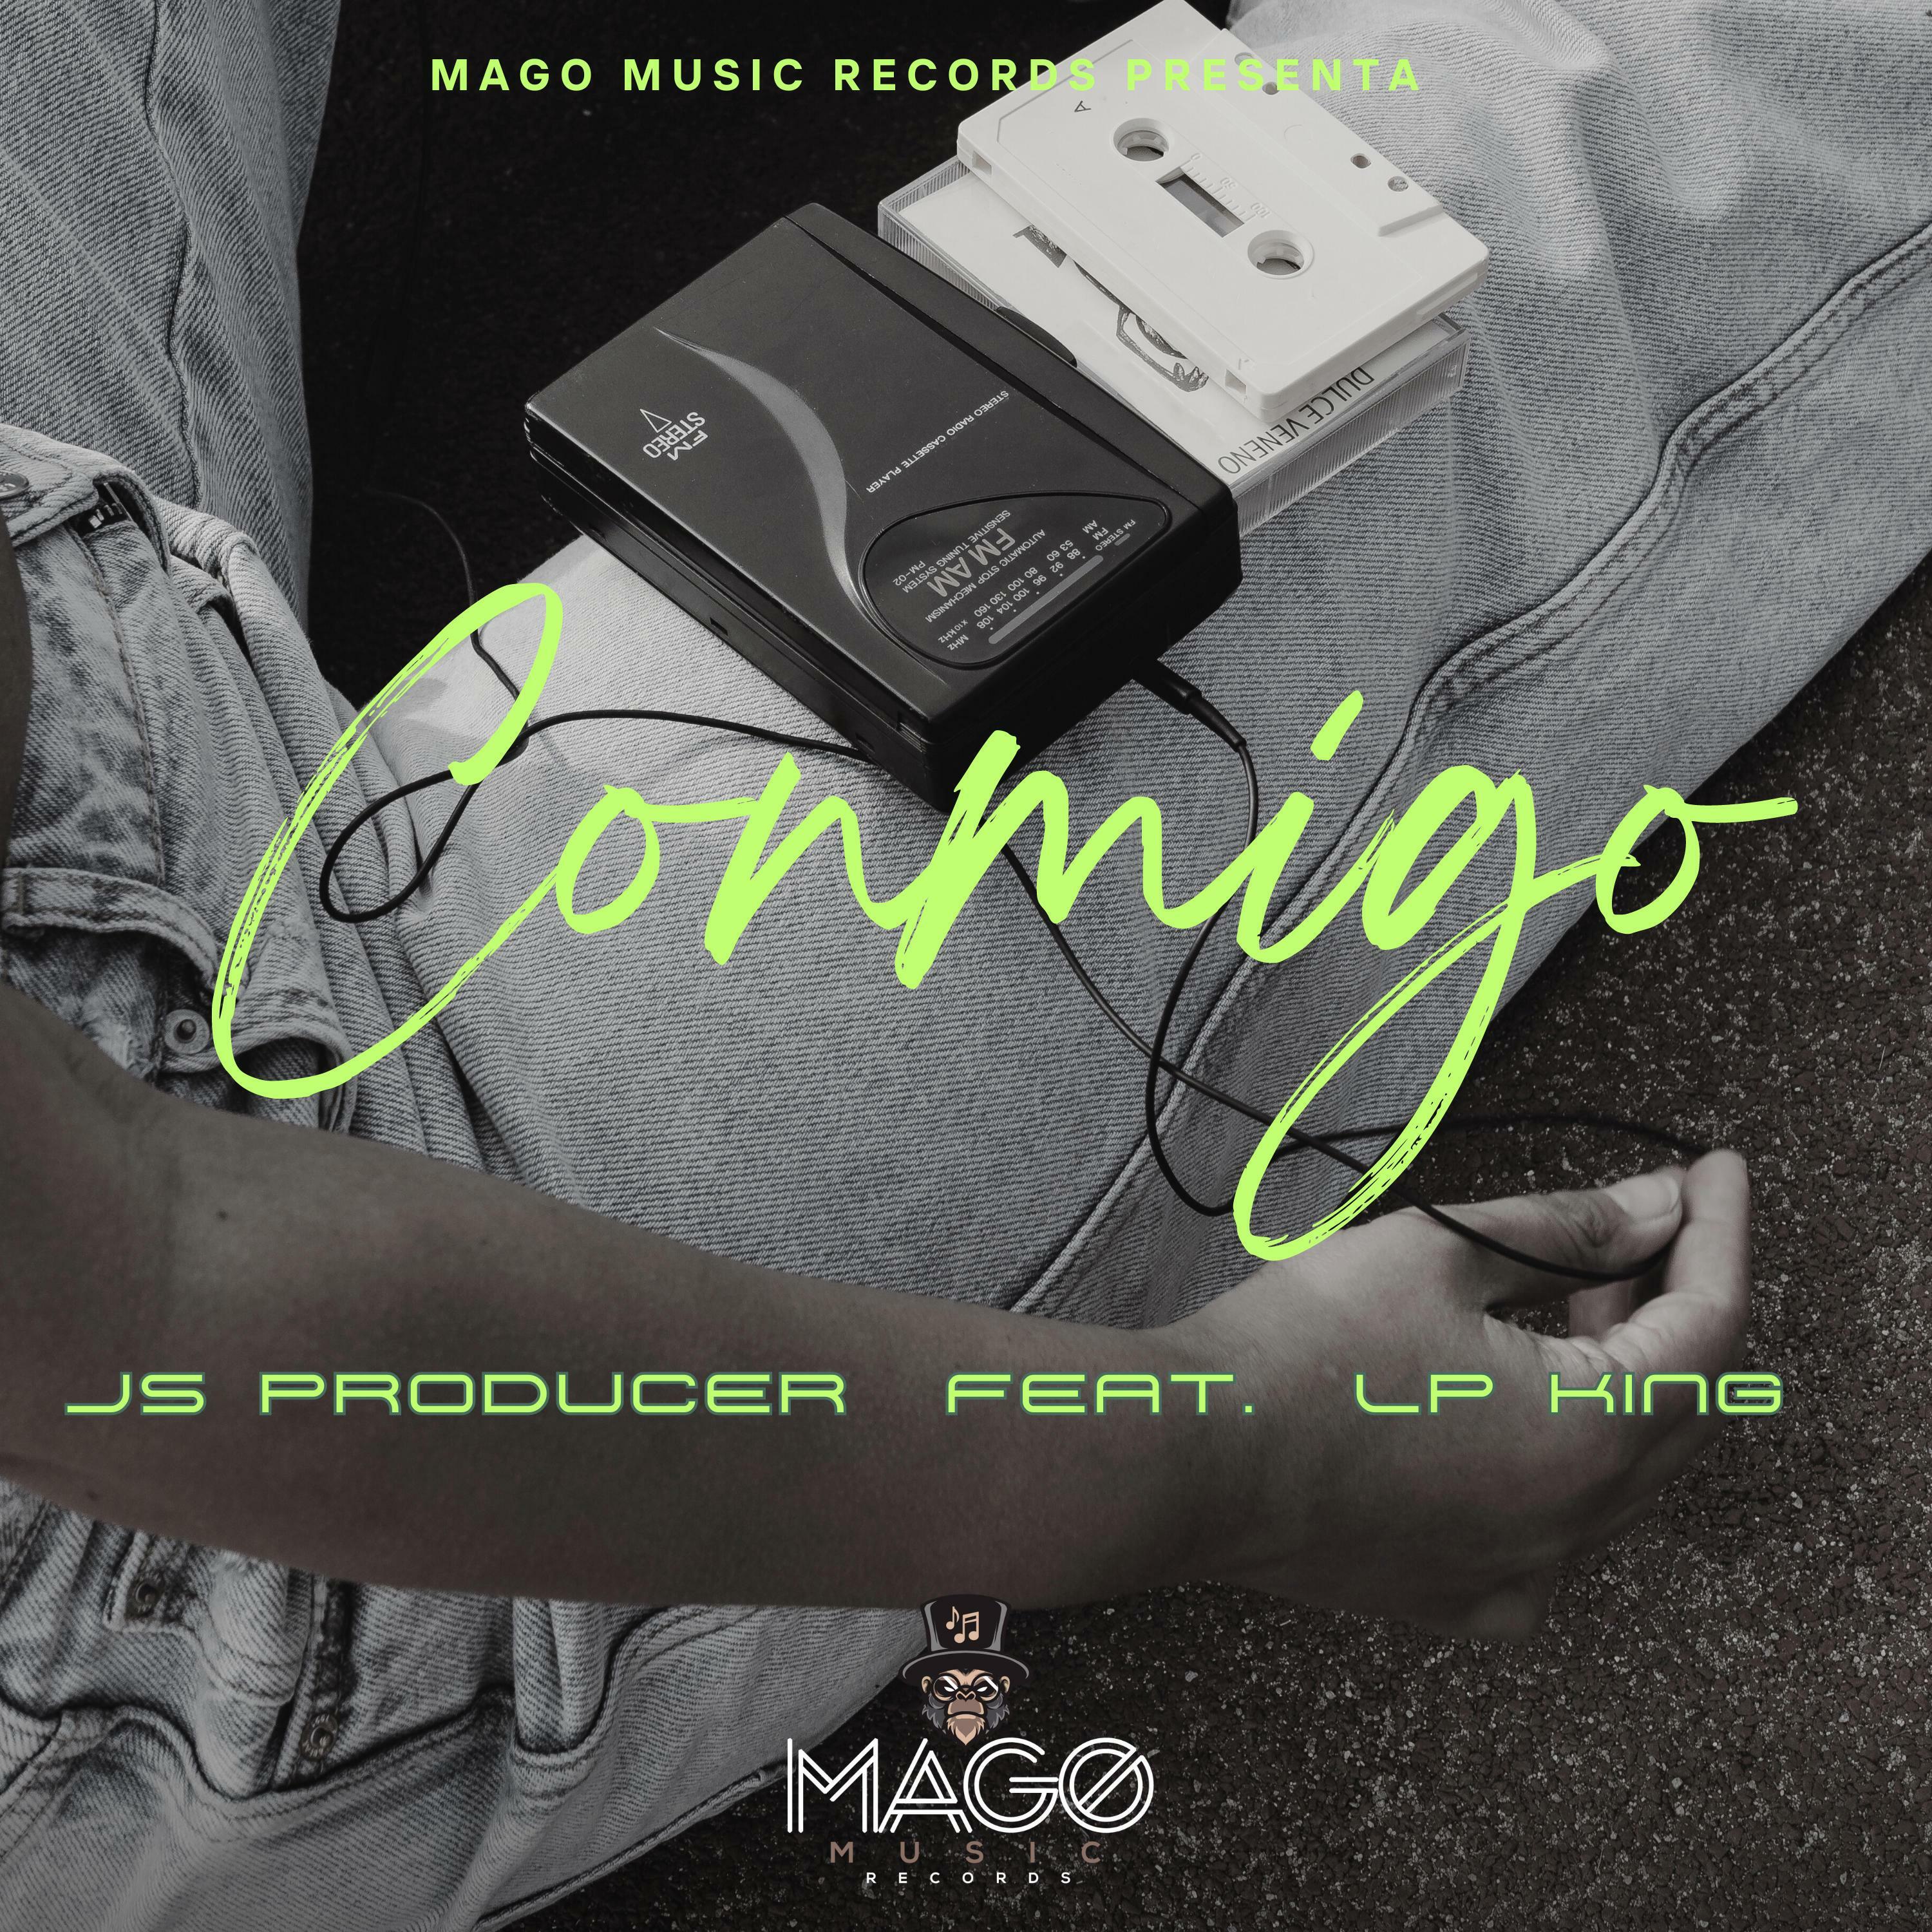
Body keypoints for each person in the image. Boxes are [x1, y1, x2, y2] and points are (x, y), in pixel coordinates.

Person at [0, 1, 1926, 1925]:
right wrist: (1240, 1457)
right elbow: (143, 1282)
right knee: (1545, 169)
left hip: (61, 674)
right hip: (230, 1359)